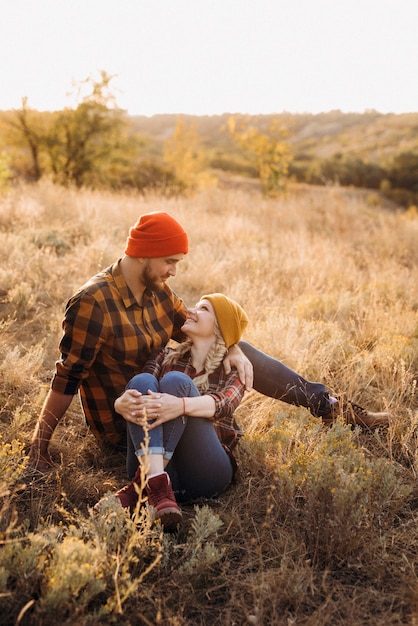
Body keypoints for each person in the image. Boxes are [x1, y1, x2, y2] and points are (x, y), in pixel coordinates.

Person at [29, 211, 391, 471]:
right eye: (170, 261)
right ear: (143, 252)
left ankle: (329, 406)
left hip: (169, 400)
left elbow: (200, 327)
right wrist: (38, 446)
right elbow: (67, 377)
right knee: (191, 378)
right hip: (131, 421)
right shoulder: (93, 303)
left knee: (242, 351)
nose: (174, 270)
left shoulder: (158, 291)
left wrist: (233, 349)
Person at [108, 292, 249, 530]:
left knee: (176, 382)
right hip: (158, 465)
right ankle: (157, 485)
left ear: (220, 328)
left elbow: (226, 403)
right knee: (142, 381)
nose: (191, 310)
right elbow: (139, 391)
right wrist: (119, 404)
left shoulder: (232, 365)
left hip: (205, 472)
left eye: (204, 309)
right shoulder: (164, 355)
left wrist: (181, 406)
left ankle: (141, 487)